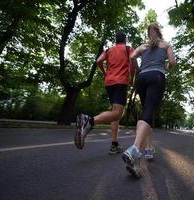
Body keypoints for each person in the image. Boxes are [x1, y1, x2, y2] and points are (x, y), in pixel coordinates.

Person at [122, 22, 176, 177]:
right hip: (156, 76)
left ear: (148, 33)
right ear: (159, 32)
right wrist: (166, 68)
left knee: (147, 113)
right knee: (149, 110)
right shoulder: (166, 45)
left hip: (142, 78)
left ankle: (149, 149)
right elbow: (172, 62)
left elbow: (132, 57)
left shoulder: (142, 47)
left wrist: (137, 70)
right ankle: (135, 149)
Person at [75, 31, 136, 155]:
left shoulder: (109, 50)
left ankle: (114, 145)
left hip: (109, 83)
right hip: (121, 82)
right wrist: (132, 77)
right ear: (125, 39)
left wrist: (104, 72)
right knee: (118, 113)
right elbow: (133, 62)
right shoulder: (128, 48)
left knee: (114, 113)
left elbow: (98, 61)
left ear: (116, 40)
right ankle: (89, 121)